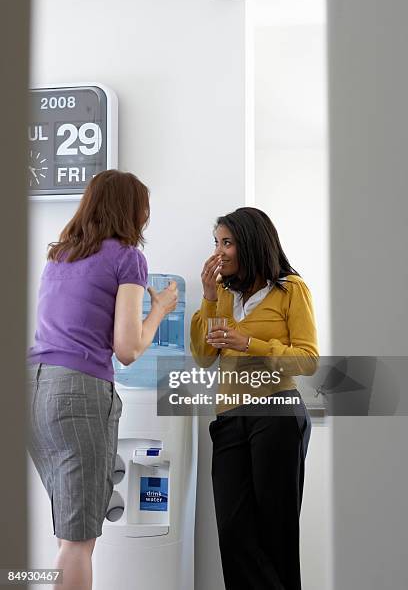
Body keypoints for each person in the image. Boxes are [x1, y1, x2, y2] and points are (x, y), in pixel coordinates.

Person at [26, 169, 178, 590]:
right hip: (78, 391)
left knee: (69, 531)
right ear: (131, 210)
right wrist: (161, 309)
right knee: (79, 542)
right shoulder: (127, 258)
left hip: (32, 390)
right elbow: (128, 349)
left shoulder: (60, 256)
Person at [190, 207, 318, 590]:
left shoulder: (291, 289)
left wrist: (250, 343)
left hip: (277, 415)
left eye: (227, 243)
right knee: (233, 536)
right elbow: (203, 356)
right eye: (217, 243)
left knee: (276, 535)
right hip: (229, 419)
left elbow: (308, 360)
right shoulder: (222, 298)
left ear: (250, 243)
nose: (220, 252)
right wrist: (209, 298)